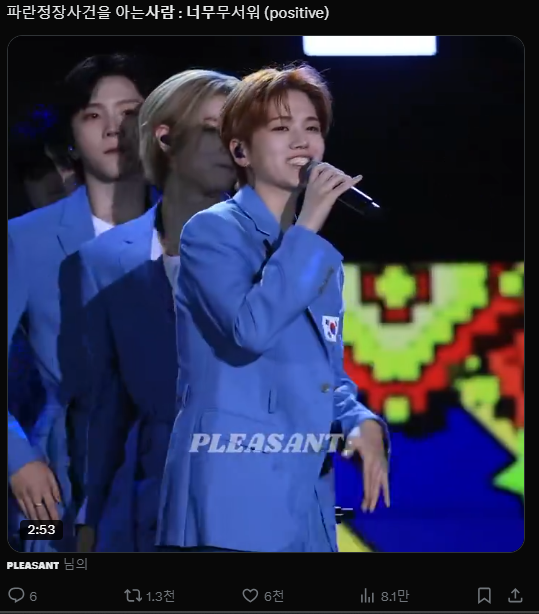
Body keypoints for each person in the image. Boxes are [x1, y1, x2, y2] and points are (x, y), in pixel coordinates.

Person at [157, 64, 391, 552]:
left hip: (304, 503)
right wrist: (309, 224)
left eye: (312, 128)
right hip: (229, 503)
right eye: (282, 128)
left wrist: (359, 419)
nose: (302, 141)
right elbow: (250, 330)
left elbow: (323, 374)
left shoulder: (320, 257)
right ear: (240, 151)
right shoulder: (211, 232)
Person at [77, 69, 239, 551]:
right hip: (149, 511)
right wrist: (88, 517)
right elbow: (102, 406)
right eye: (213, 130)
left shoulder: (279, 254)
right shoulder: (105, 260)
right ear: (166, 139)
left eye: (240, 132)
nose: (232, 146)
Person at [7, 53, 155, 552]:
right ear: (71, 139)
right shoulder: (26, 240)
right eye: (94, 115)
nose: (114, 128)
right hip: (65, 487)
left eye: (130, 112)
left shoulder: (200, 231)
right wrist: (18, 459)